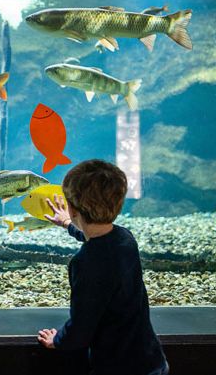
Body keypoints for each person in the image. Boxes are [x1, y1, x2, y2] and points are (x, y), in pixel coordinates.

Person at [37, 159, 169, 375]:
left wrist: (58, 340)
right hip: (150, 359)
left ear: (72, 208)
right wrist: (68, 224)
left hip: (117, 366)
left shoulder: (85, 263)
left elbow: (81, 326)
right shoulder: (125, 238)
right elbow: (98, 239)